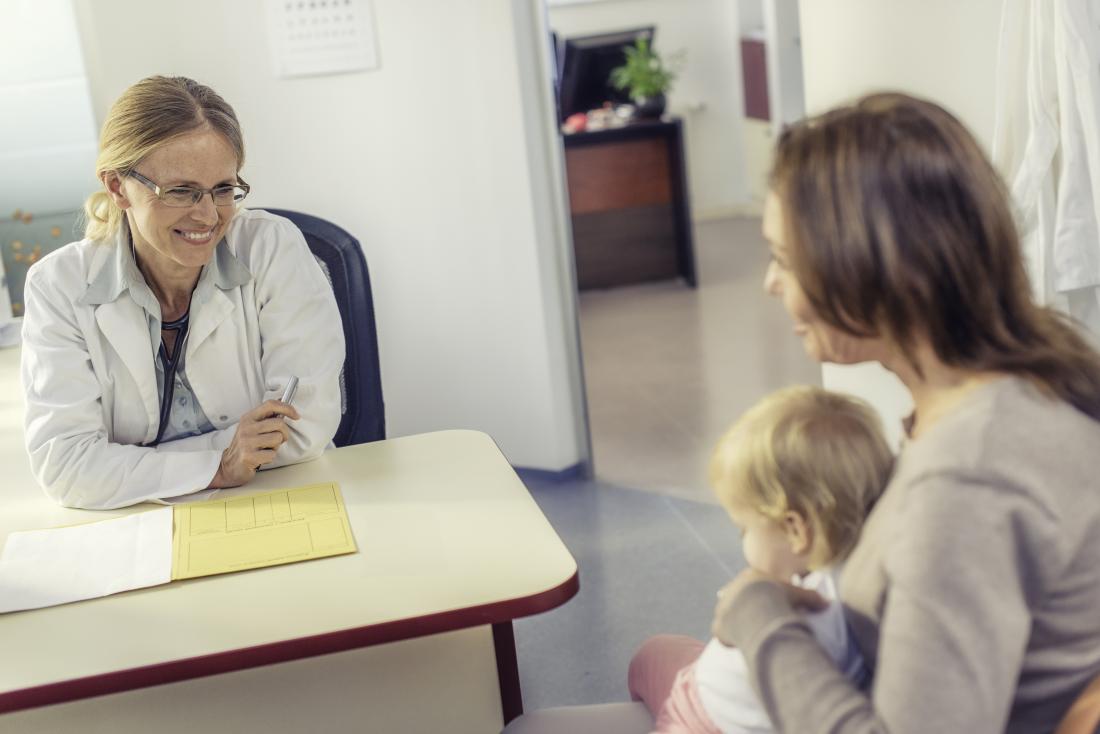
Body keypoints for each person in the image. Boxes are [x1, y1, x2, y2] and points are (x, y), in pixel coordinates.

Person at [708, 93, 1100, 732]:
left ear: (868, 264)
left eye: (783, 258)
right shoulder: (1035, 379)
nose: (770, 283)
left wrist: (759, 614)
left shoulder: (967, 479)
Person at [20, 75, 346, 510]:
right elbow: (66, 466)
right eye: (180, 191)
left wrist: (130, 467)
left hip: (279, 500)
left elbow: (305, 430)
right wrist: (220, 464)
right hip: (139, 527)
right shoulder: (58, 287)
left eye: (224, 190)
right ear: (118, 187)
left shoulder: (271, 248)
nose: (208, 216)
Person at [628, 386, 893, 734]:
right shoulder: (857, 577)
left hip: (698, 721)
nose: (743, 540)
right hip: (707, 688)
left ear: (795, 530)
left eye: (744, 529)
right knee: (658, 649)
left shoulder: (813, 616)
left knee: (648, 657)